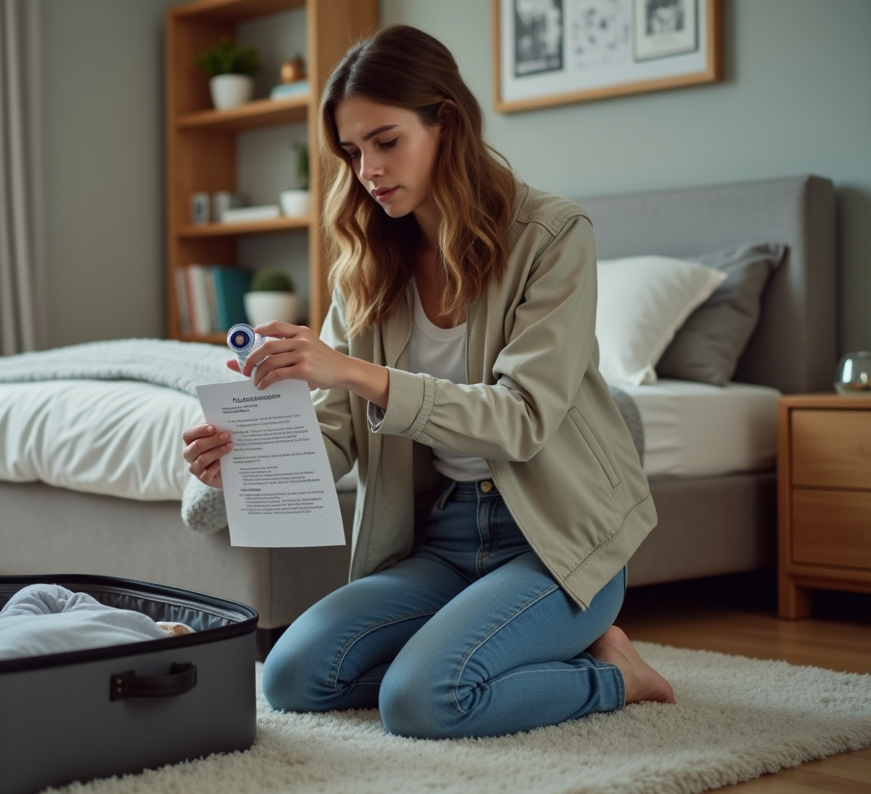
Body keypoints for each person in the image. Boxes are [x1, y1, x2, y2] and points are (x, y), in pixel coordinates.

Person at [181, 24, 674, 739]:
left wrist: (351, 369)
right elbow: (339, 435)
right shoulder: (365, 268)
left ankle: (616, 674)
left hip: (553, 540)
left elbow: (523, 417)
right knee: (291, 677)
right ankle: (470, 652)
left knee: (420, 702)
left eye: (386, 141)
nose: (367, 170)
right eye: (352, 152)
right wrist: (242, 457)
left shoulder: (554, 236)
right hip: (442, 539)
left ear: (446, 122)